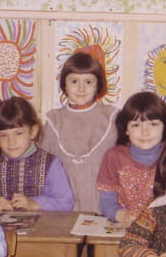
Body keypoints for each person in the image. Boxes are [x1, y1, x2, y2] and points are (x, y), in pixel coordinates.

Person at [40, 51, 117, 212]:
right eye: (74, 81)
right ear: (64, 85)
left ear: (98, 85)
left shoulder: (112, 117)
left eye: (88, 82)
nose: (81, 88)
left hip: (103, 202)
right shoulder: (54, 120)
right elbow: (43, 166)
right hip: (64, 203)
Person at [0, 96, 73, 212]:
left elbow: (66, 203)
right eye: (3, 135)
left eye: (18, 133)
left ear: (33, 132)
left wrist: (35, 204)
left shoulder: (51, 164)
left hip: (44, 223)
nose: (11, 142)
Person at [97, 92, 166, 225]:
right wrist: (122, 215)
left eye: (153, 124)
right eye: (136, 125)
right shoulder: (113, 157)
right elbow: (106, 200)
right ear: (126, 129)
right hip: (124, 226)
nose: (145, 132)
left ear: (165, 126)